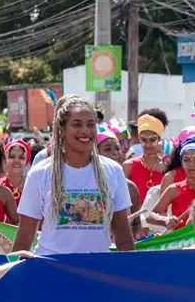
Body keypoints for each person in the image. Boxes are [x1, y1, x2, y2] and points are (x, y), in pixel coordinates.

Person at [12, 95, 135, 255]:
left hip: (97, 271)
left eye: (91, 125)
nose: (85, 130)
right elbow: (26, 234)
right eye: (77, 124)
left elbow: (123, 235)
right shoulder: (40, 173)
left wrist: (130, 275)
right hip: (51, 269)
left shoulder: (112, 171)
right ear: (62, 130)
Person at [147, 138, 195, 231]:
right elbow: (150, 216)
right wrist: (165, 220)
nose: (191, 164)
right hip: (181, 243)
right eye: (186, 160)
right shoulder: (174, 189)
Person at [122, 113, 166, 199]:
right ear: (139, 139)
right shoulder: (128, 166)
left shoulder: (166, 167)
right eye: (143, 139)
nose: (148, 144)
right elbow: (122, 197)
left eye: (152, 140)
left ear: (159, 139)